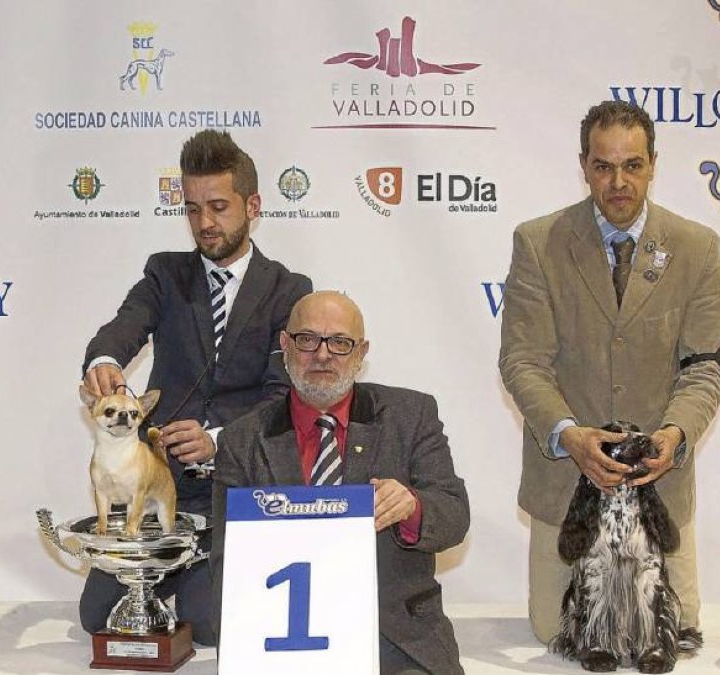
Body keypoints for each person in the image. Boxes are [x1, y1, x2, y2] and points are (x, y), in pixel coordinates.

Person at [499, 100, 720, 643]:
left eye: (632, 165)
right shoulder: (537, 242)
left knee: (675, 636)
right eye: (603, 166)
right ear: (583, 165)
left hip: (660, 493)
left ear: (652, 164)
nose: (618, 181)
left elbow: (704, 368)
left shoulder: (698, 248)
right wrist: (569, 436)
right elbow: (523, 359)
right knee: (556, 635)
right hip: (566, 490)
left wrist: (675, 435)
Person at [80, 129, 312, 645]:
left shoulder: (289, 290)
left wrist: (218, 438)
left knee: (208, 627)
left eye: (218, 207)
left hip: (234, 487)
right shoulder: (165, 273)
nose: (205, 223)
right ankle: (170, 574)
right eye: (191, 209)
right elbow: (125, 323)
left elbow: (283, 397)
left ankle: (195, 577)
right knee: (97, 618)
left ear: (253, 204)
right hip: (158, 482)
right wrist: (103, 359)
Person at [212, 291, 469, 675]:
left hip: (394, 637)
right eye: (308, 339)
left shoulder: (412, 416)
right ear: (285, 345)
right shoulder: (241, 440)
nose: (322, 354)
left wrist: (413, 507)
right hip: (279, 639)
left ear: (361, 352)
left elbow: (453, 515)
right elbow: (226, 561)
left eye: (340, 342)